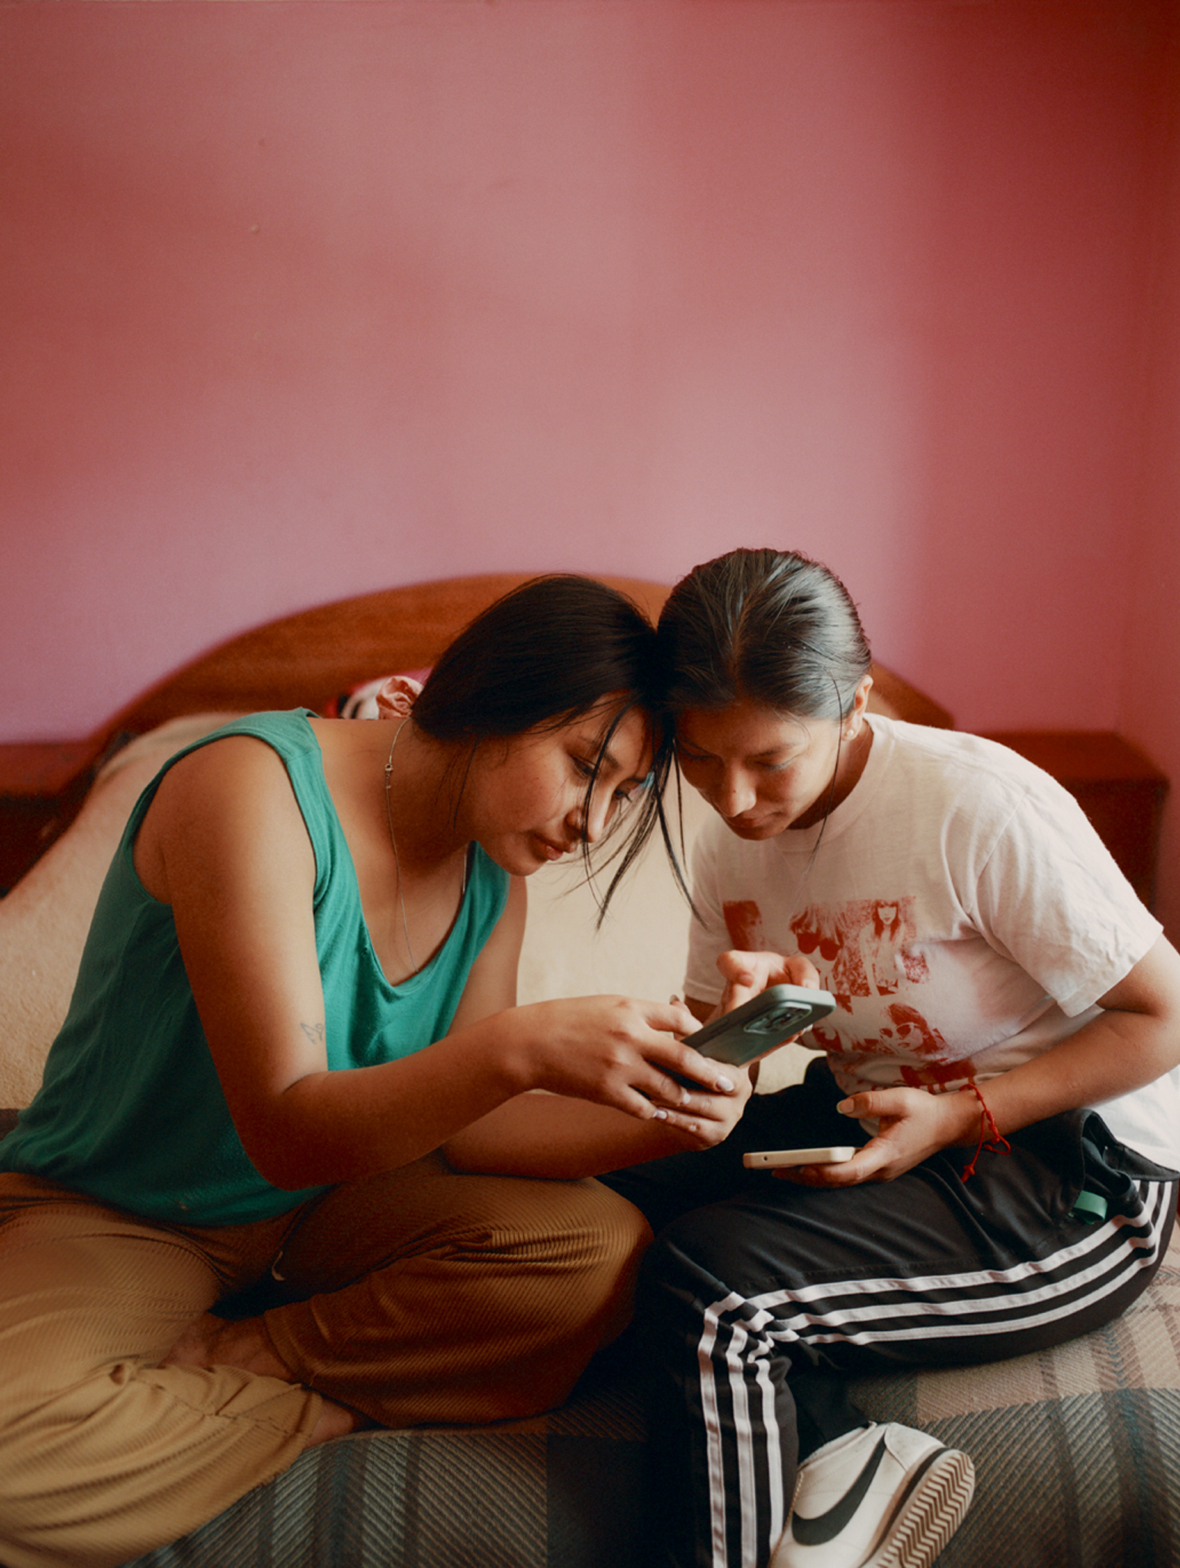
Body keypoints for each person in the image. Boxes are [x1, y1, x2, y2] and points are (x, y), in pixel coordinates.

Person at [0, 575, 749, 1568]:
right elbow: (284, 1123)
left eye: (622, 796)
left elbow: (478, 1133)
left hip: (331, 1207)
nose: (591, 824)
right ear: (492, 695)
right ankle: (308, 1410)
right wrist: (518, 1044)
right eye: (584, 767)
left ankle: (258, 1353)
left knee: (594, 1246)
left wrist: (679, 1105)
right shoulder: (246, 786)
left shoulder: (492, 869)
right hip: (130, 1206)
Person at [600, 548, 1180, 1568]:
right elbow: (721, 1052)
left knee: (714, 1291)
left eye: (767, 760)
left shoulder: (974, 804)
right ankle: (845, 1456)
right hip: (878, 1117)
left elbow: (1174, 1016)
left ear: (855, 705)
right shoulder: (722, 835)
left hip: (1059, 1168)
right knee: (615, 1185)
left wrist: (966, 1110)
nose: (732, 796)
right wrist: (740, 1022)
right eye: (700, 758)